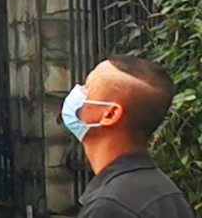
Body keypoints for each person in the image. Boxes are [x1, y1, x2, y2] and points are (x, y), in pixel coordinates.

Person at [64, 56, 192, 217]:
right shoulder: (165, 192)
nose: (77, 91)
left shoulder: (110, 208)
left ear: (110, 114)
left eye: (87, 87)